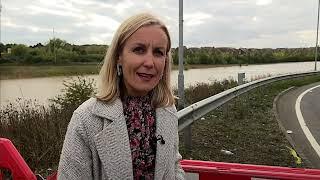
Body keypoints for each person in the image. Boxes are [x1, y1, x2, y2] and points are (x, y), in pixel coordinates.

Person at [57, 12, 185, 180]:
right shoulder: (86, 119)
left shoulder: (168, 110)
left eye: (158, 52)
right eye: (139, 50)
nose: (149, 62)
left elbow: (174, 166)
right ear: (119, 57)